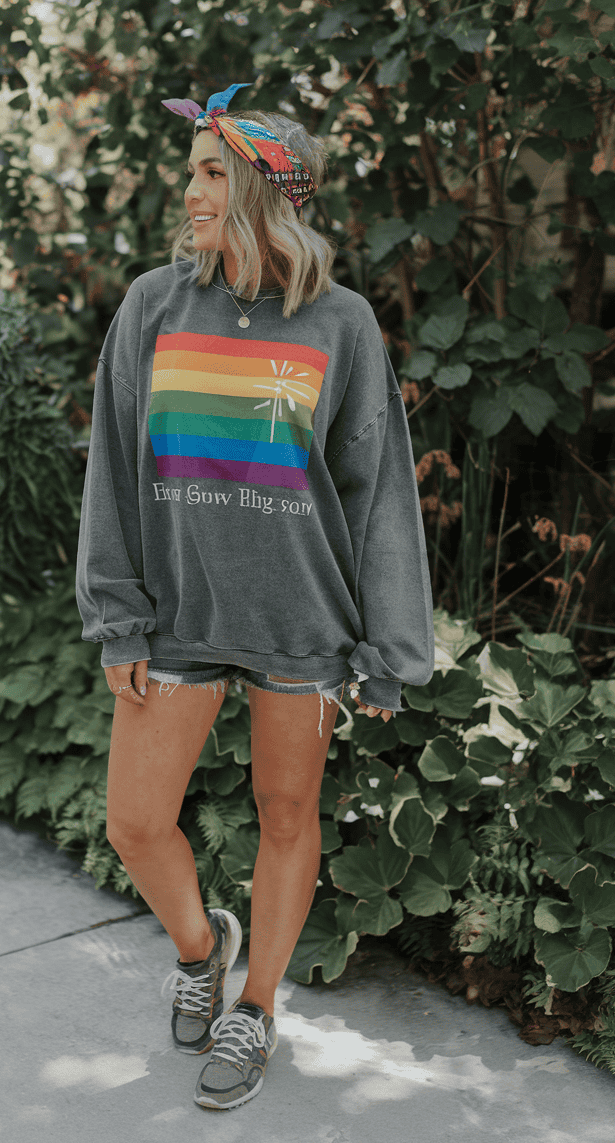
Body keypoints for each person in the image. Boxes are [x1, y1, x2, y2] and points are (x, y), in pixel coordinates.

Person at [76, 82, 435, 1112]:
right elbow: (111, 466)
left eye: (207, 172)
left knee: (287, 813)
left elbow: (374, 496)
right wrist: (118, 613)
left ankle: (258, 1007)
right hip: (179, 613)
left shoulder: (340, 323)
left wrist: (387, 648)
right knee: (136, 824)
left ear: (264, 190)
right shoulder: (153, 305)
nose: (186, 190)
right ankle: (202, 947)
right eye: (189, 169)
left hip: (300, 620)